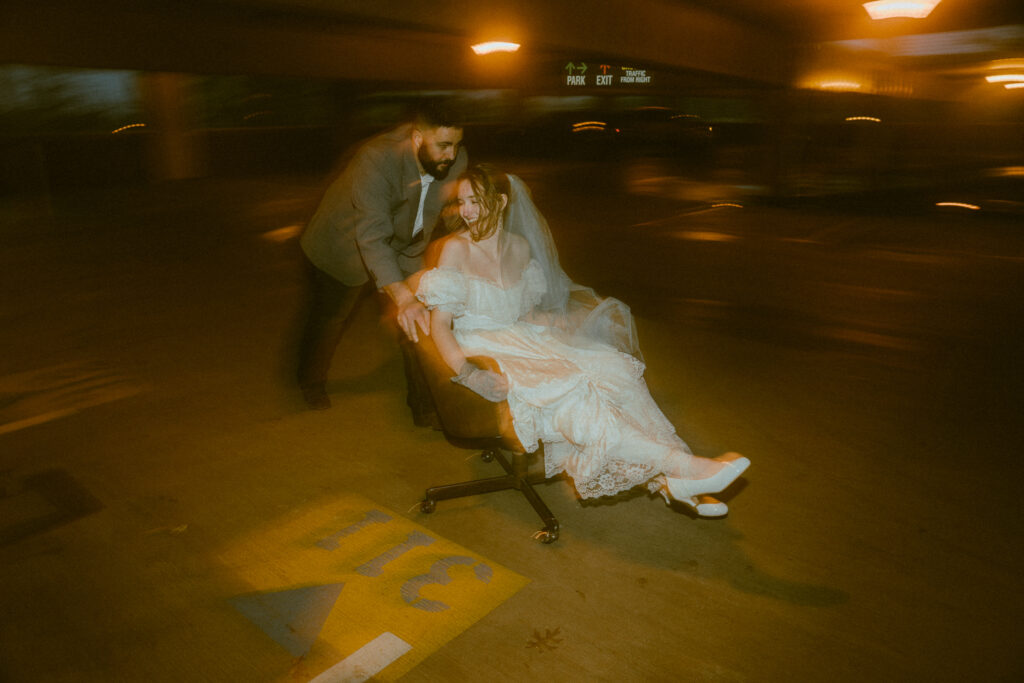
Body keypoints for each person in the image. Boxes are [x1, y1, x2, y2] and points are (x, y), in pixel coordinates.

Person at [414, 164, 750, 517]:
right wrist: (468, 373)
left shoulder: (520, 247)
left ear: (499, 201)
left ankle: (672, 478)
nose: (466, 211)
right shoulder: (454, 248)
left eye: (475, 201)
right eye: (462, 202)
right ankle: (684, 470)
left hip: (522, 338)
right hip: (483, 348)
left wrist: (556, 323)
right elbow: (440, 327)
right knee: (577, 396)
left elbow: (522, 314)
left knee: (614, 370)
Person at [296, 101, 467, 418]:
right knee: (329, 319)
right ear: (417, 138)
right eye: (444, 145)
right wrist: (401, 295)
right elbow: (372, 236)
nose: (452, 155)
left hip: (404, 247)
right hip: (341, 246)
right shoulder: (376, 159)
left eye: (457, 144)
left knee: (417, 321)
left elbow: (434, 213)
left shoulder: (452, 159)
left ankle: (423, 405)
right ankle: (309, 380)